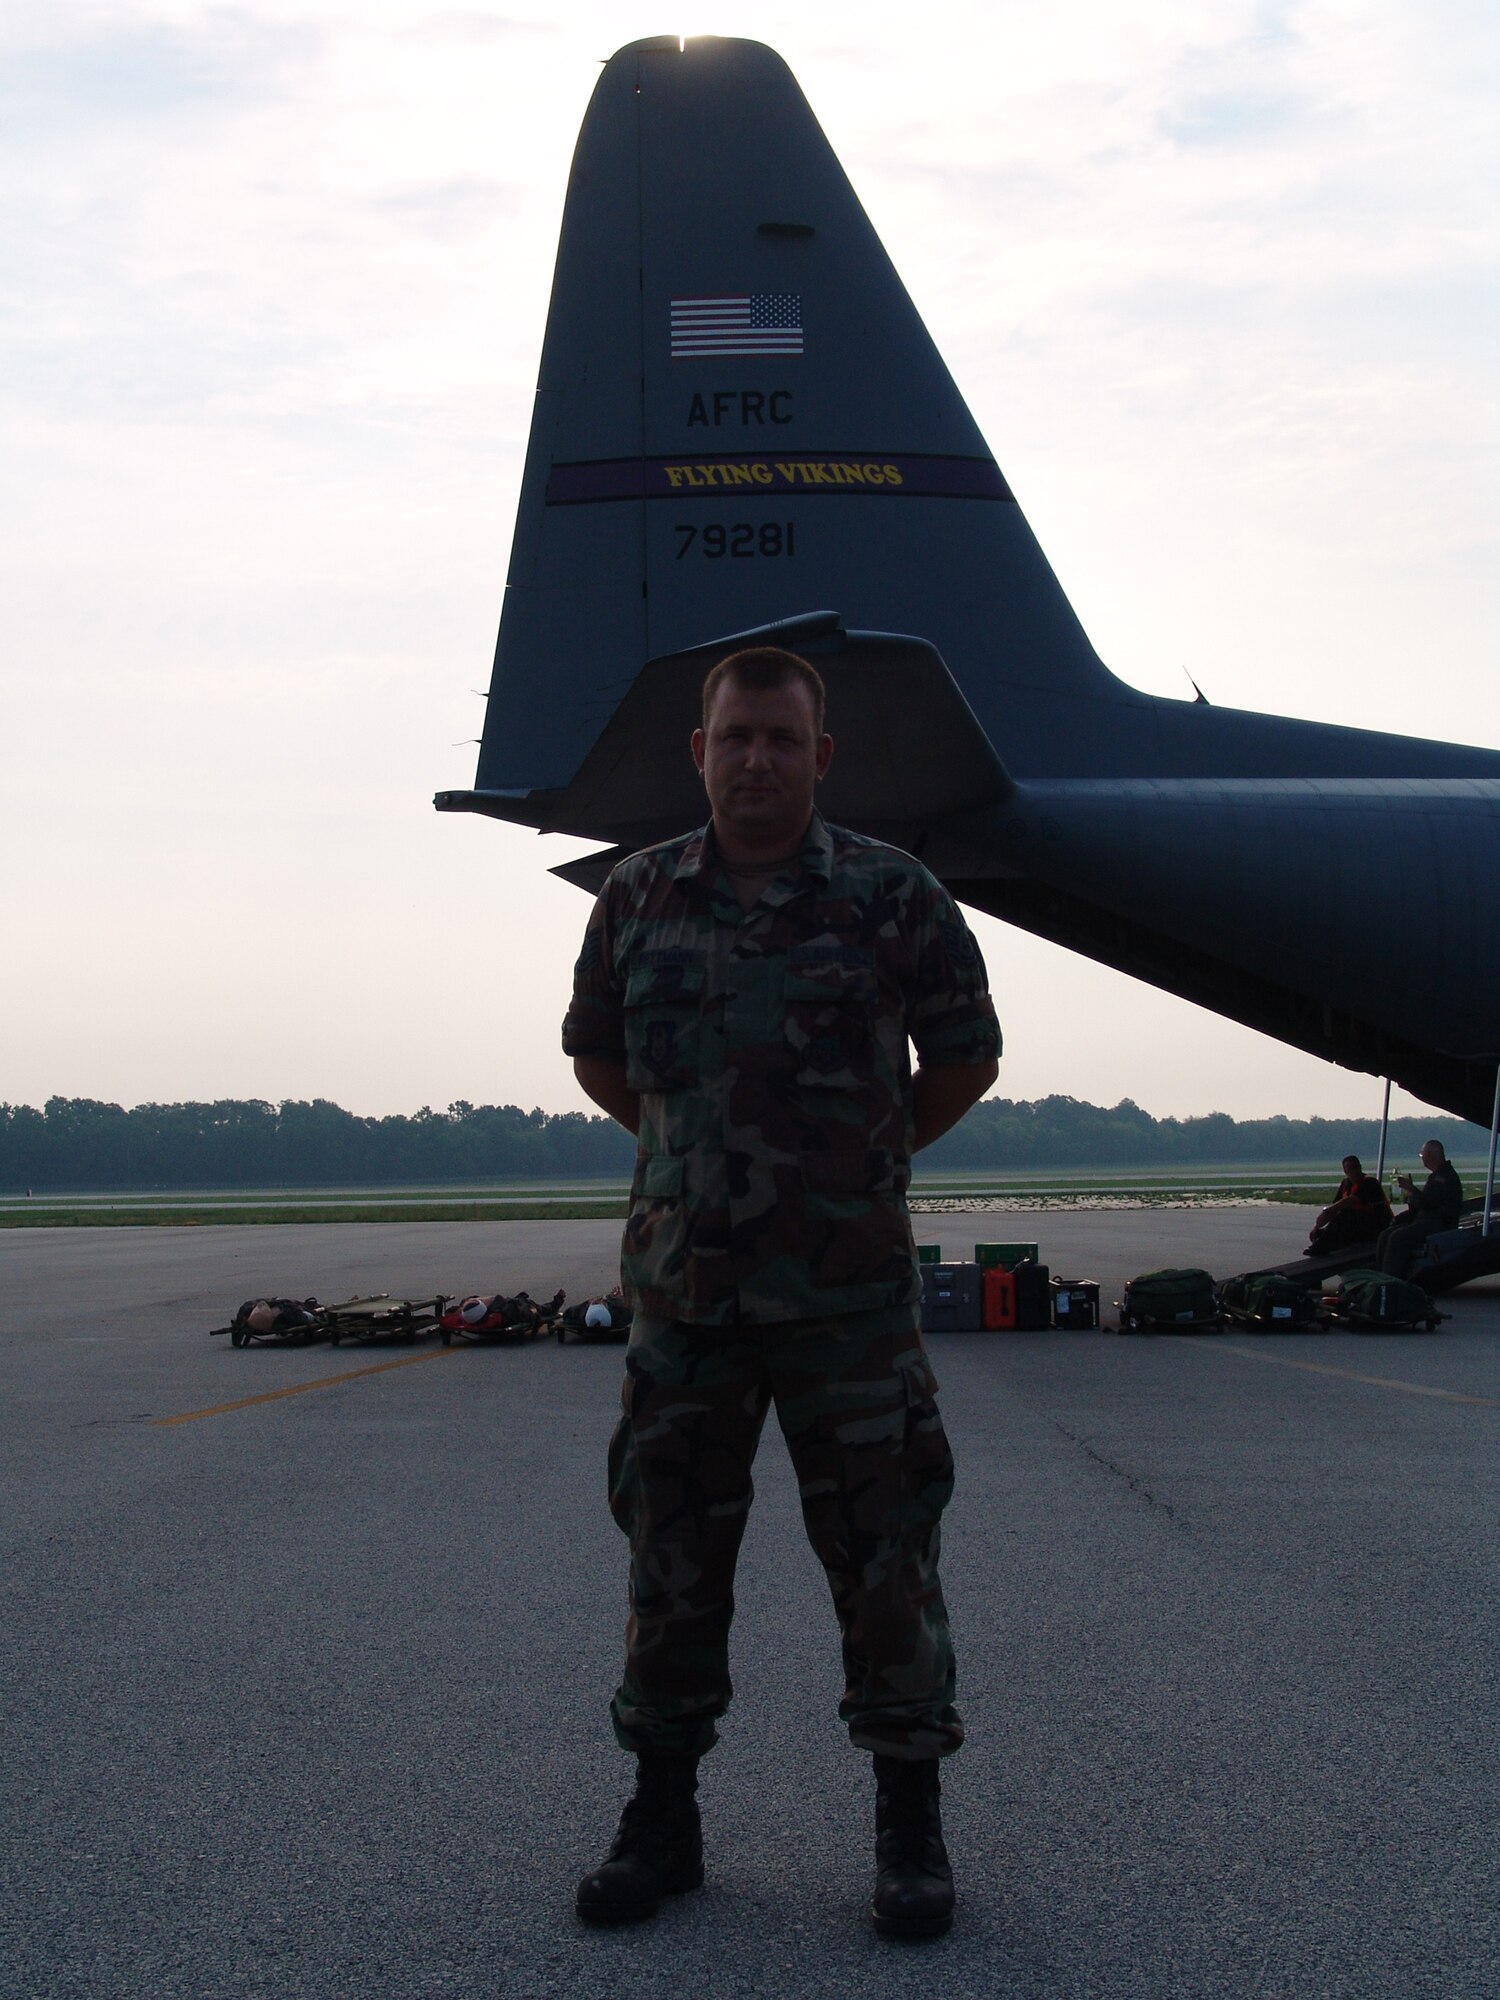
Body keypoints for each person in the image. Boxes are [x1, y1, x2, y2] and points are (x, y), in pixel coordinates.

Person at [561, 645, 1000, 1940]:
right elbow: (599, 1055)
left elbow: (965, 1056)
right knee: (671, 1569)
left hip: (850, 1310)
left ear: (821, 755)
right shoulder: (637, 898)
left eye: (780, 738)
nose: (756, 757)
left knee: (887, 1569)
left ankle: (910, 1828)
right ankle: (663, 1820)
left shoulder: (891, 895)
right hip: (684, 1310)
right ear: (699, 753)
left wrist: (853, 1167)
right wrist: (701, 1165)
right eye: (735, 736)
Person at [1375, 1139, 1463, 1275]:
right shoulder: (1439, 1175)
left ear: (1430, 1155)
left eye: (1422, 1156)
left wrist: (1412, 1190)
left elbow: (1427, 1203)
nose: (1422, 1159)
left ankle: (1390, 1277)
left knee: (1397, 1237)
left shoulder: (1443, 1177)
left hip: (1438, 1223)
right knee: (1385, 1234)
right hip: (1429, 1220)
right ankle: (1379, 1274)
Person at [1306, 1154, 1392, 1256]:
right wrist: (1317, 1227)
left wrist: (1327, 1211)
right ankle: (1326, 1245)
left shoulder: (1370, 1182)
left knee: (1346, 1214)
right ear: (1345, 1171)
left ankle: (1321, 1247)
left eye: (1355, 1167)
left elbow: (1350, 1201)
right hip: (1358, 1226)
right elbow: (1335, 1207)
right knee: (1322, 1233)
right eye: (1350, 1169)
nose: (1354, 1171)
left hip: (1377, 1224)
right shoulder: (1346, 1184)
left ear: (1360, 1167)